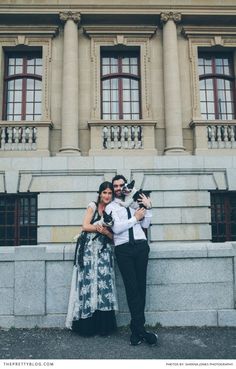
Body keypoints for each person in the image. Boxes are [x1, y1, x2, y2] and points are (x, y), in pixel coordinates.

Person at [106, 174, 158, 346]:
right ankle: (140, 330)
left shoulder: (136, 203)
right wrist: (135, 218)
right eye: (116, 186)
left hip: (141, 247)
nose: (119, 188)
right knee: (131, 288)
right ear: (113, 188)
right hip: (124, 250)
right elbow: (117, 228)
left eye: (122, 185)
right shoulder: (110, 207)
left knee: (141, 287)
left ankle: (137, 330)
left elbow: (145, 226)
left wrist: (148, 209)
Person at [66, 181, 118, 336]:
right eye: (105, 193)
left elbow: (113, 235)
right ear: (100, 194)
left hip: (104, 251)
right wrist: (99, 228)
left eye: (110, 193)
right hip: (89, 251)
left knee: (103, 285)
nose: (107, 196)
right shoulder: (93, 206)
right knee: (89, 284)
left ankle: (104, 327)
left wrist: (106, 233)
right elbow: (84, 226)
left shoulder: (113, 209)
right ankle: (87, 326)